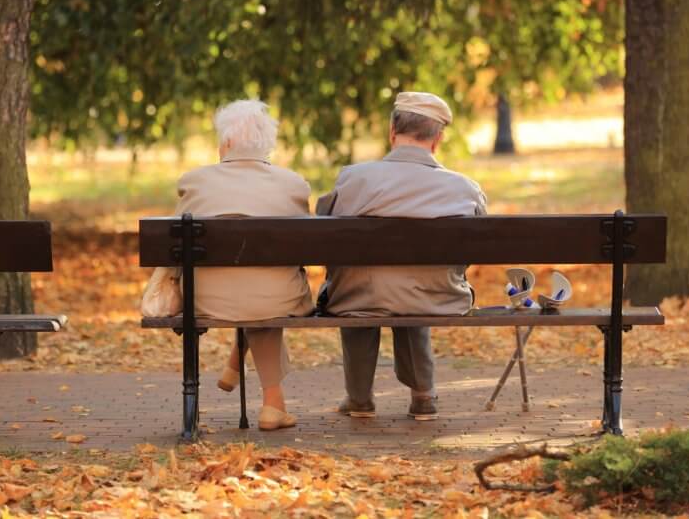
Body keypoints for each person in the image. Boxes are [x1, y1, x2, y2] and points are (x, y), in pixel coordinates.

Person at [316, 91, 487, 421]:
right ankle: (423, 394)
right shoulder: (464, 189)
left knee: (363, 283)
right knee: (417, 283)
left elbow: (326, 239)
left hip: (358, 300)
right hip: (437, 298)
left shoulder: (353, 178)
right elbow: (473, 249)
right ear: (437, 140)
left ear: (392, 132)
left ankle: (359, 398)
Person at [148, 99, 313, 430]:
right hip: (276, 297)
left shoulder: (194, 182)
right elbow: (304, 251)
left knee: (247, 289)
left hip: (206, 298)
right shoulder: (293, 184)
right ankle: (271, 403)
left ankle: (243, 375)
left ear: (224, 143)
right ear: (267, 144)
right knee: (264, 290)